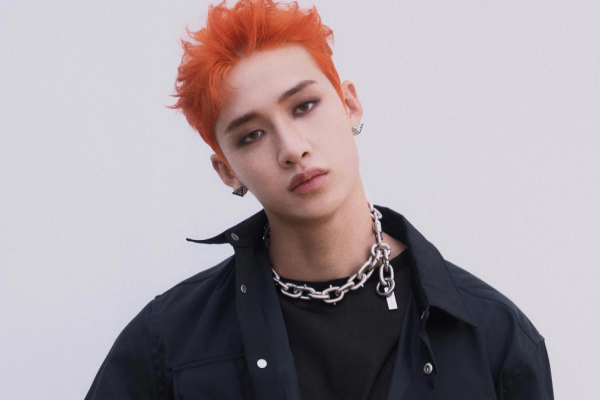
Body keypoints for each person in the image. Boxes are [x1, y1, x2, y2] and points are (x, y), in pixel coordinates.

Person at [84, 0, 554, 399]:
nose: (292, 148)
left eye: (304, 106)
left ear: (349, 105)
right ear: (227, 171)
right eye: (251, 135)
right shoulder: (167, 344)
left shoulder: (493, 335)